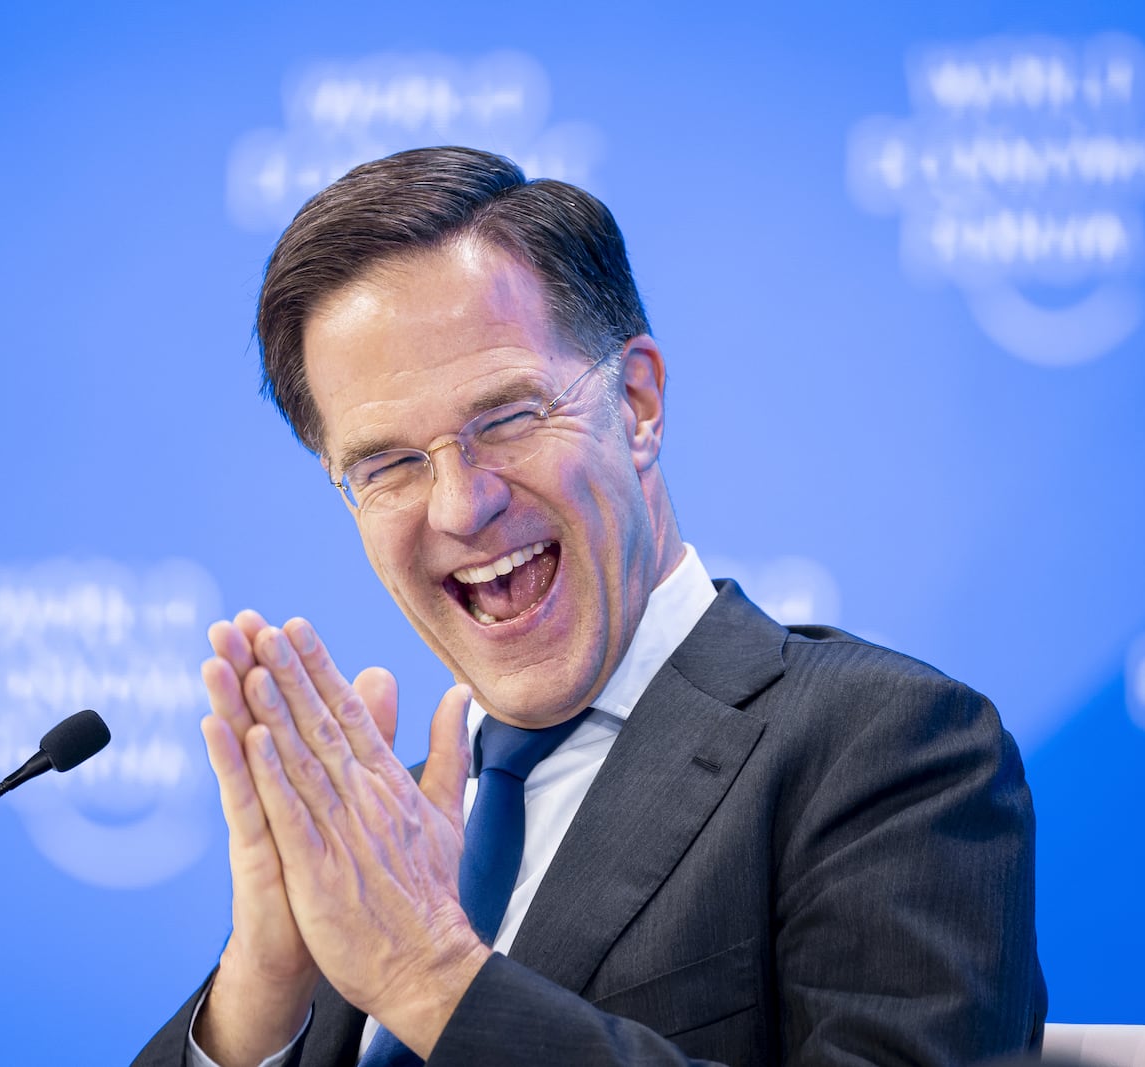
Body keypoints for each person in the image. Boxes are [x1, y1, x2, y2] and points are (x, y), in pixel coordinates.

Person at [133, 146, 1045, 1066]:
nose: (460, 504)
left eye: (507, 418)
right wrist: (261, 982)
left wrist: (429, 974)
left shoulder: (886, 744)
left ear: (638, 403)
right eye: (388, 465)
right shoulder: (383, 851)